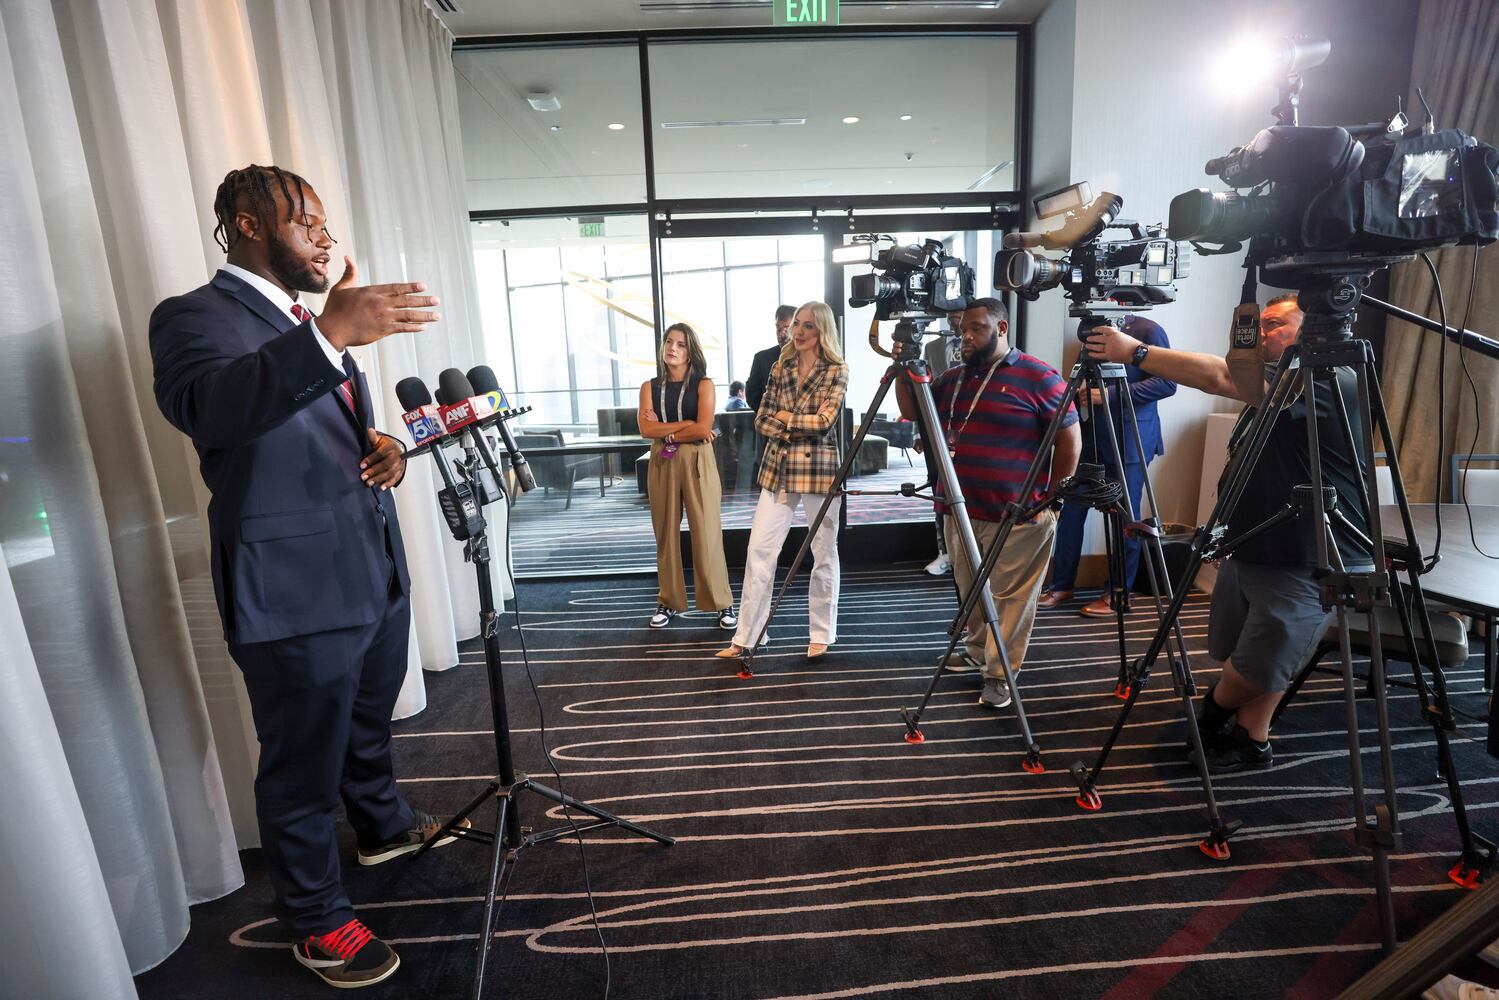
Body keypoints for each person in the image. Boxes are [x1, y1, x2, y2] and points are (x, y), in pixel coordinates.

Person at [149, 165, 453, 989]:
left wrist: (384, 447)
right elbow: (213, 410)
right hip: (291, 584)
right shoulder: (192, 317)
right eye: (306, 222)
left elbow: (315, 432)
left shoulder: (304, 321)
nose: (325, 236)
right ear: (248, 225)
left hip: (368, 565)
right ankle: (315, 918)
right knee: (301, 760)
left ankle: (383, 824)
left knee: (364, 723)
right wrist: (329, 336)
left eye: (326, 223)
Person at [1084, 292, 1369, 772]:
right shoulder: (1274, 388)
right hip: (1257, 539)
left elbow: (1218, 373)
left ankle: (1212, 715)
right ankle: (1251, 736)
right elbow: (1249, 460)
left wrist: (1134, 351)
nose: (1261, 334)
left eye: (1276, 324)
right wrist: (1220, 528)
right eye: (1257, 325)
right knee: (1256, 652)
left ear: (1314, 329)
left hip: (1309, 552)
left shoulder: (1327, 379)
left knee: (1261, 659)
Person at [898, 297, 1081, 708]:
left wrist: (1054, 497)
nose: (966, 336)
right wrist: (903, 368)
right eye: (963, 328)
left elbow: (1070, 434)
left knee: (1010, 597)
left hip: (1019, 512)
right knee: (972, 590)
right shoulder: (953, 378)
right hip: (960, 509)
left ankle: (1001, 674)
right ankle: (978, 651)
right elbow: (912, 409)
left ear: (1001, 329)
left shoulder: (1038, 376)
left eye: (976, 328)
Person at [717, 301, 849, 661]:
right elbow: (761, 420)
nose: (800, 332)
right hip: (779, 469)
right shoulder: (780, 366)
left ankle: (821, 633)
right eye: (798, 326)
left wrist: (785, 418)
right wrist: (795, 420)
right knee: (759, 550)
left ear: (822, 330)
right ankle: (747, 636)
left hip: (820, 472)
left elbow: (826, 422)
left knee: (823, 552)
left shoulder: (837, 369)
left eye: (808, 326)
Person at [1038, 314, 1177, 616]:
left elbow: (1167, 384)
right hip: (1088, 439)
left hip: (1130, 440)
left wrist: (1108, 396)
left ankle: (1118, 593)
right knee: (1071, 512)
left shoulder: (1149, 330)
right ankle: (1061, 584)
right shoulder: (1090, 330)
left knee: (1125, 520)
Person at [639, 323, 736, 630]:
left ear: (690, 350)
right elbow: (646, 430)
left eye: (680, 344)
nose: (673, 348)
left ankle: (721, 603)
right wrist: (687, 426)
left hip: (697, 459)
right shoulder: (648, 387)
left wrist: (667, 429)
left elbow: (704, 427)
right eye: (669, 342)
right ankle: (668, 602)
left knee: (707, 531)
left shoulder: (704, 385)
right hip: (662, 461)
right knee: (665, 533)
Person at [916, 310, 967, 576]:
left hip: (969, 427)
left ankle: (968, 550)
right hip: (936, 426)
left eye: (960, 314)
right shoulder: (933, 346)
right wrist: (918, 431)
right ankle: (944, 552)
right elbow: (921, 390)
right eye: (951, 314)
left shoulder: (978, 345)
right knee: (938, 489)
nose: (955, 320)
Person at [745, 303, 795, 411]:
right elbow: (752, 396)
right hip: (770, 422)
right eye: (778, 328)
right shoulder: (762, 358)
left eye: (787, 328)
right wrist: (769, 414)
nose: (781, 334)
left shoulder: (808, 358)